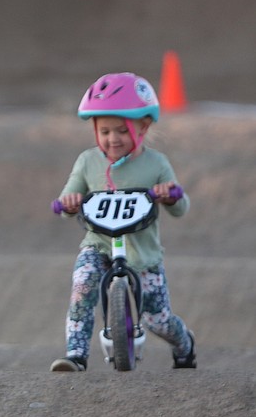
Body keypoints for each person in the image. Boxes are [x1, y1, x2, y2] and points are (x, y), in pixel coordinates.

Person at [50, 72, 196, 372]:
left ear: (142, 127)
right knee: (82, 284)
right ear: (94, 130)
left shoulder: (156, 164)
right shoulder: (88, 161)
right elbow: (68, 199)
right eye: (104, 131)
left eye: (121, 130)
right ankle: (76, 355)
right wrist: (68, 201)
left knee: (159, 320)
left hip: (143, 254)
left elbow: (180, 208)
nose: (112, 139)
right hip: (98, 245)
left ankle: (185, 343)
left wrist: (169, 196)